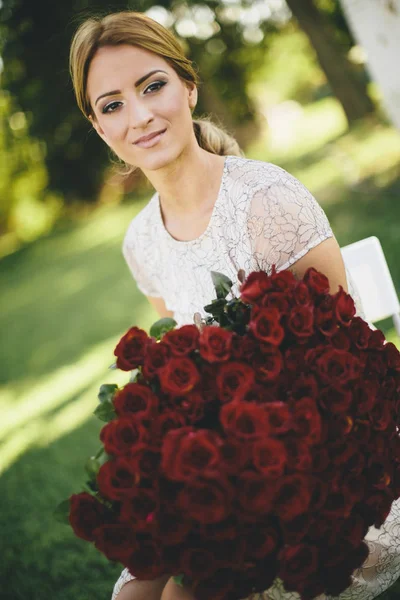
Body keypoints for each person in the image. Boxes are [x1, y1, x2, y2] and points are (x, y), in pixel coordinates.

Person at [69, 11, 400, 600]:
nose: (141, 116)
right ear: (97, 127)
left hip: (325, 480)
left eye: (152, 86)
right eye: (112, 104)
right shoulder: (140, 243)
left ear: (188, 87)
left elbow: (351, 380)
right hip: (224, 477)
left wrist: (250, 489)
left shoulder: (267, 201)